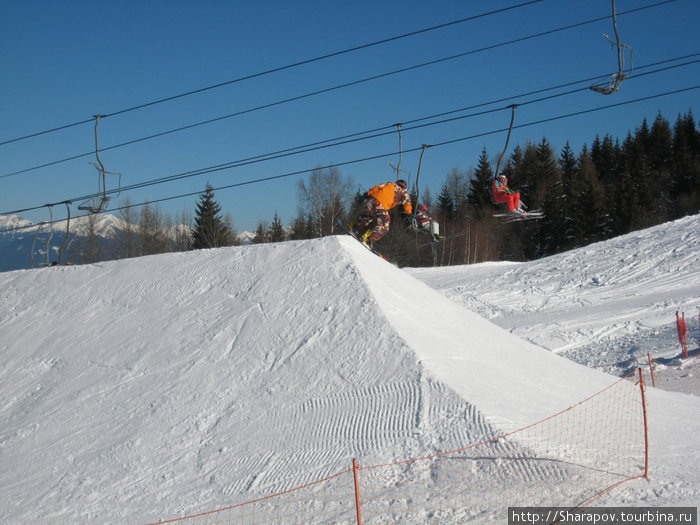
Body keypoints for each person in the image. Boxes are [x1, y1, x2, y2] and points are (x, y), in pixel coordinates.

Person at [352, 179, 413, 246]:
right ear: (404, 187)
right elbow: (407, 203)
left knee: (368, 216)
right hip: (381, 205)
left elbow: (377, 187)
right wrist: (409, 214)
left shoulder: (389, 184)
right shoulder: (403, 192)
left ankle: (354, 227)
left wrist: (366, 195)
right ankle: (369, 240)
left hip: (371, 200)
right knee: (384, 226)